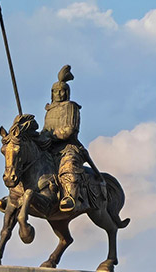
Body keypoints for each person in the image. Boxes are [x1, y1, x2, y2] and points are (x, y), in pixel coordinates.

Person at [41, 65, 104, 212]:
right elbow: (45, 129)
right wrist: (39, 137)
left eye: (63, 91)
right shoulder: (49, 110)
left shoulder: (71, 107)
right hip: (49, 146)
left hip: (68, 146)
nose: (60, 94)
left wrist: (50, 135)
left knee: (69, 166)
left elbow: (70, 129)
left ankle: (70, 197)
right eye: (56, 91)